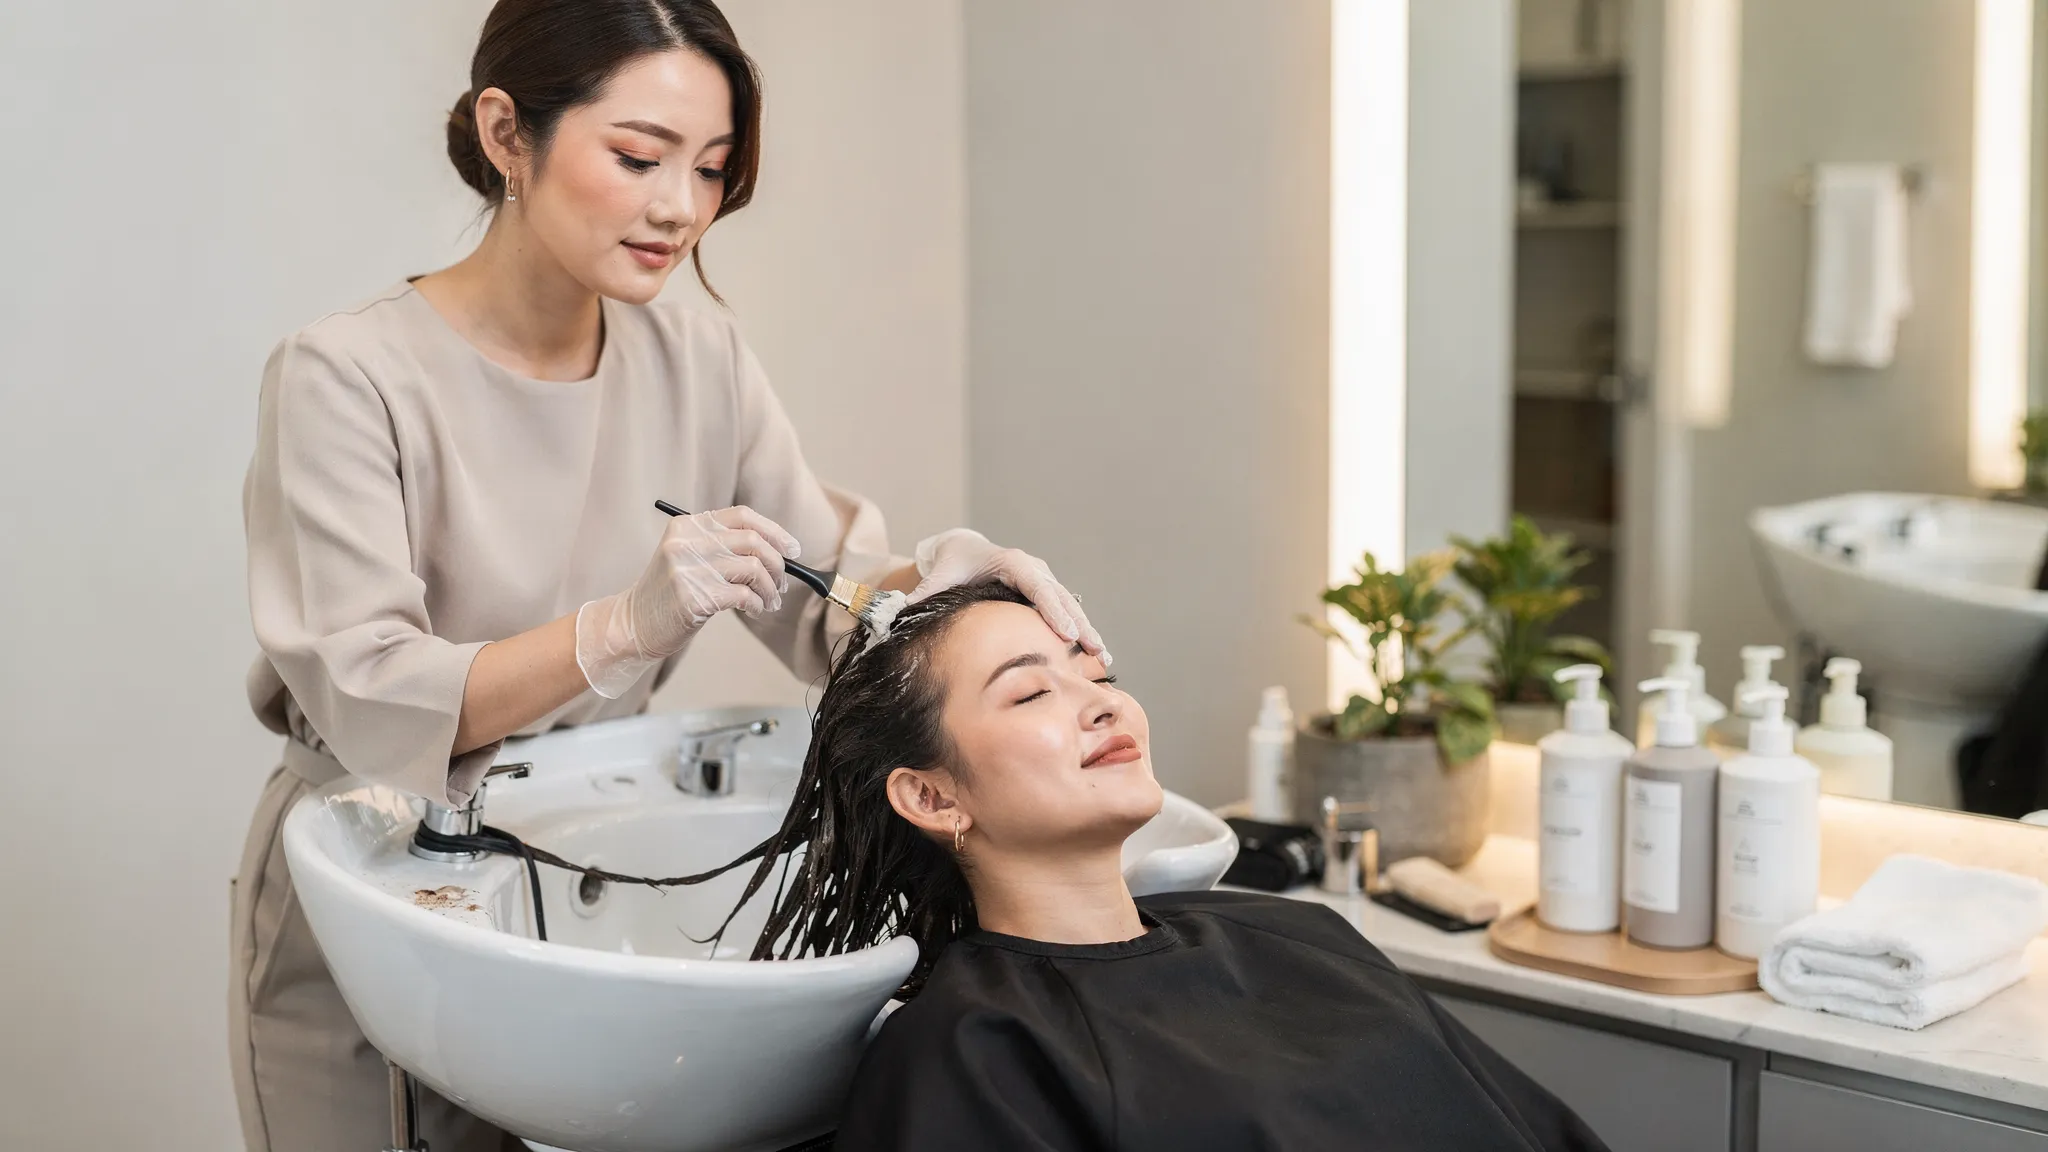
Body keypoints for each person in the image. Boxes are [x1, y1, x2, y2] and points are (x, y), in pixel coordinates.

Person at [228, 3, 1102, 1149]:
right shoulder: (346, 377)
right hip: (379, 878)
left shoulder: (698, 359)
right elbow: (370, 689)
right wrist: (618, 630)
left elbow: (828, 595)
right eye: (638, 158)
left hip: (584, 855)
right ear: (506, 132)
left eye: (711, 169)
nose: (679, 208)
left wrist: (949, 588)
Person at [707, 583, 1609, 1152]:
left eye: (1094, 676)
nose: (1100, 706)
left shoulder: (1297, 931)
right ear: (935, 798)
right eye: (1030, 691)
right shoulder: (971, 1053)